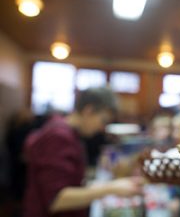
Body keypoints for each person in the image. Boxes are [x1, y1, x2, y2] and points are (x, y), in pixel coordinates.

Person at [23, 87, 144, 217]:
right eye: (103, 120)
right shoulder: (59, 137)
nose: (102, 128)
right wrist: (111, 188)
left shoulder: (67, 132)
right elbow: (56, 199)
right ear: (89, 110)